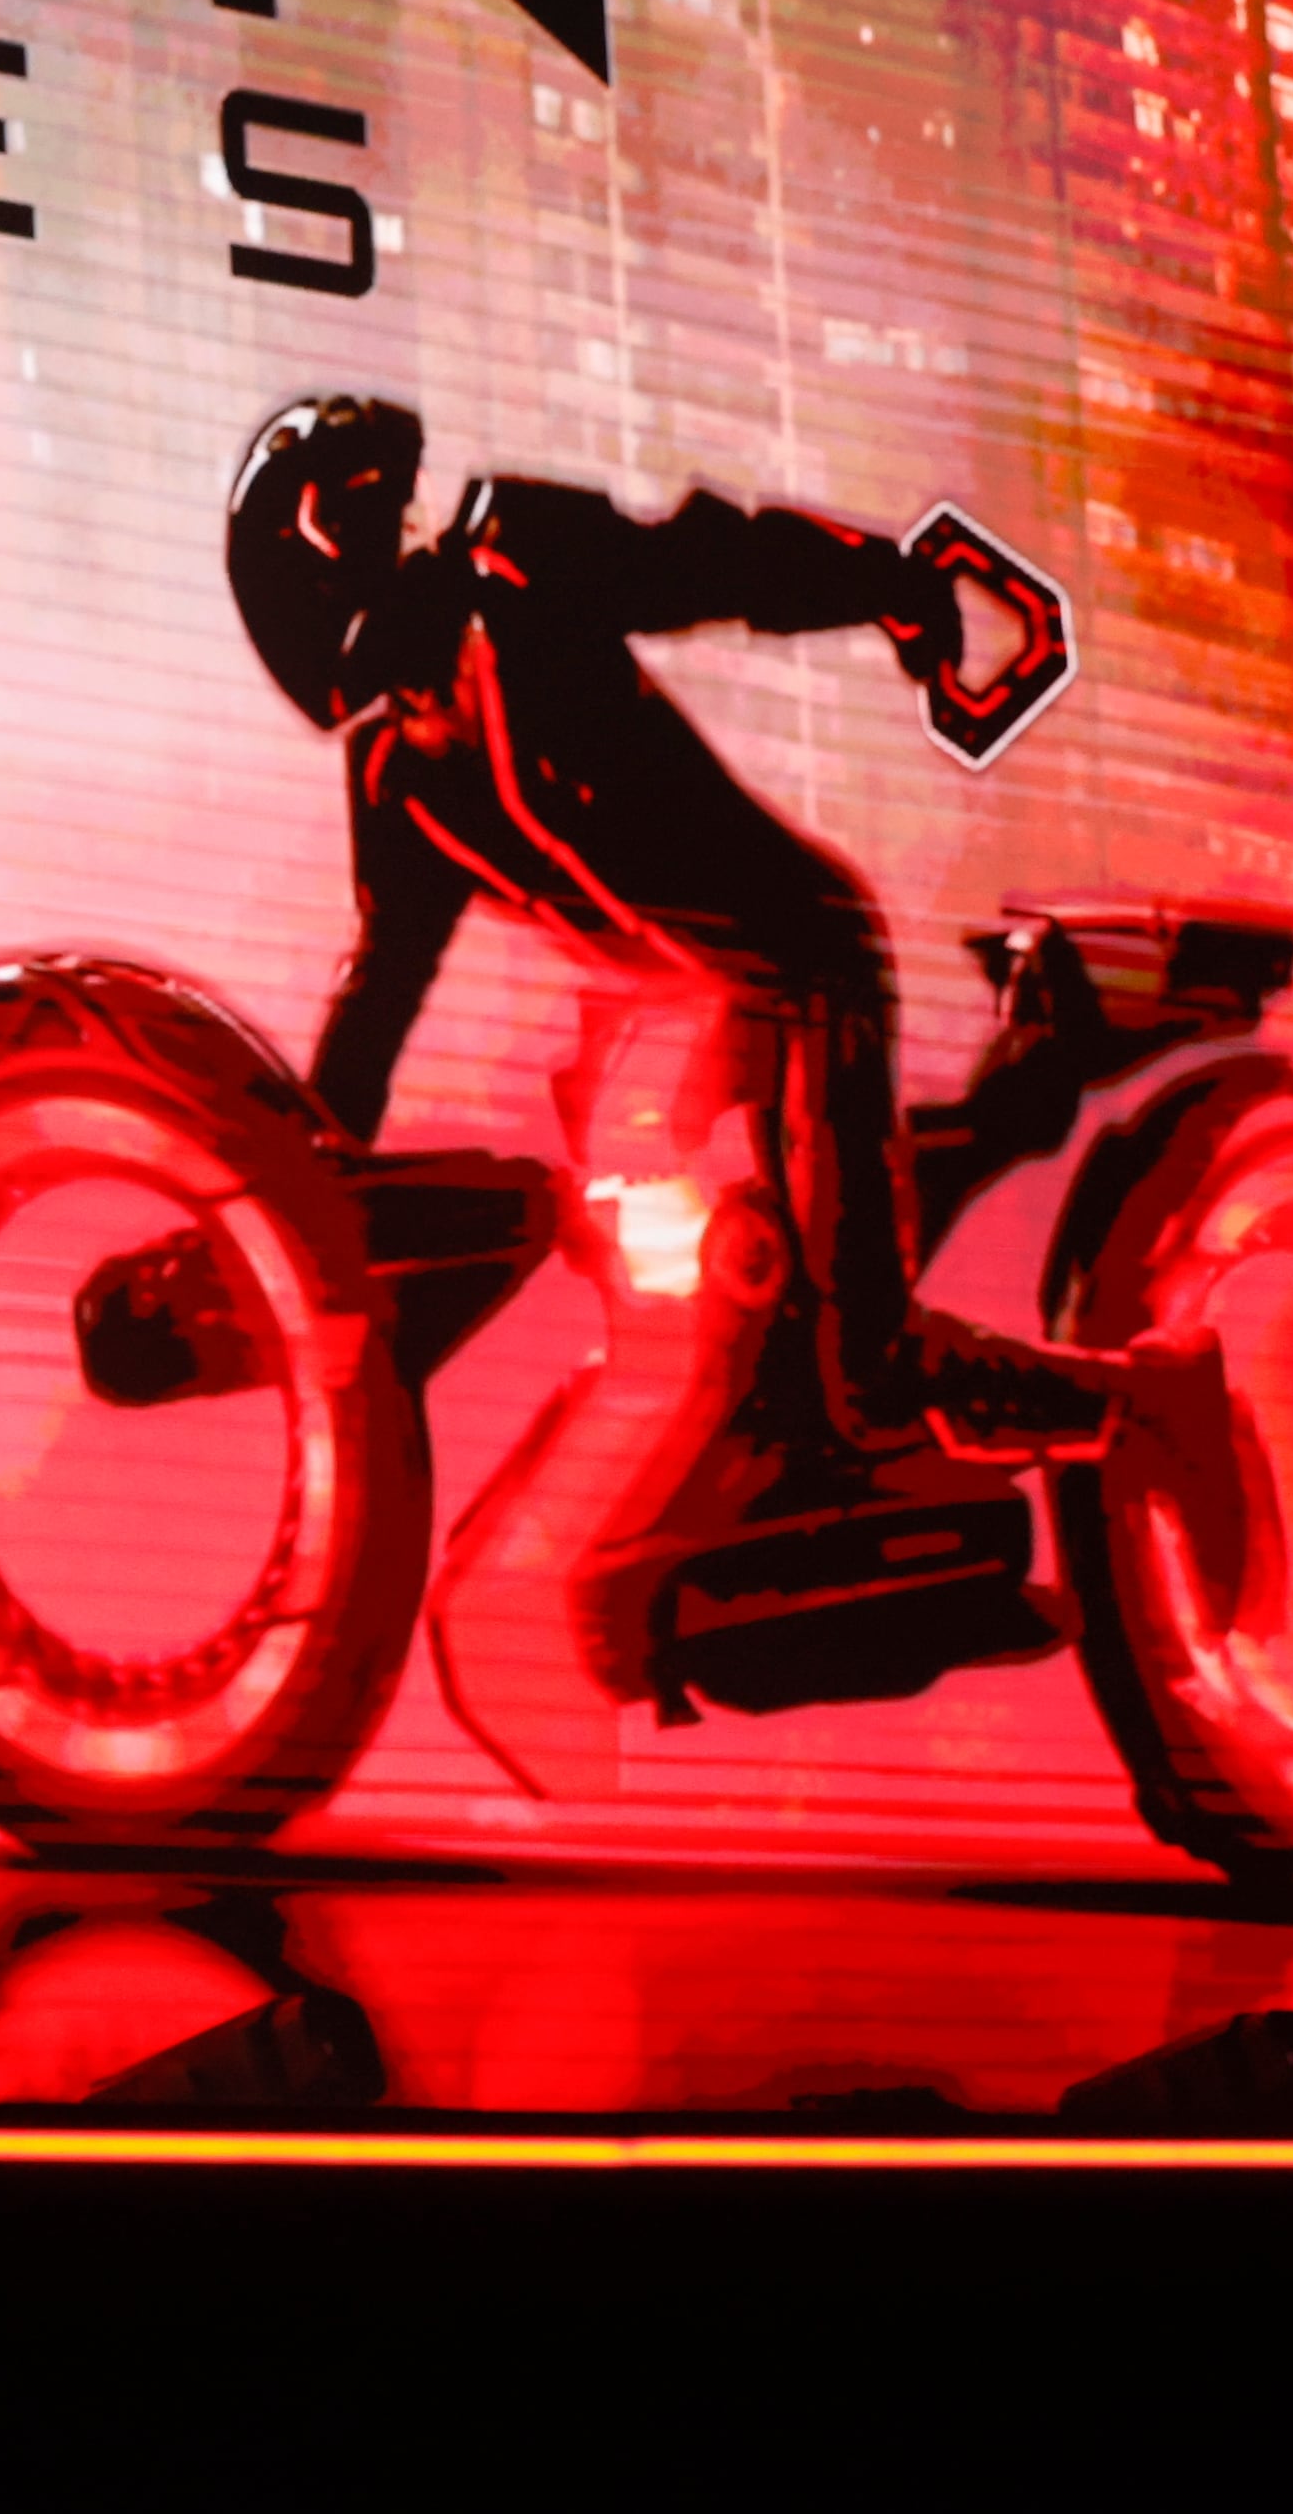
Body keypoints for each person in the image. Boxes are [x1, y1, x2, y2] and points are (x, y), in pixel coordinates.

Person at [221, 392, 1212, 1692]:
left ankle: (1151, 1404)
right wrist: (281, 1184)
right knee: (746, 1298)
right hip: (682, 1041)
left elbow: (712, 557)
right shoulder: (396, 784)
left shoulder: (515, 558)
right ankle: (1039, 1066)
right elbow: (375, 1002)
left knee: (854, 1368)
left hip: (796, 965)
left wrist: (885, 581)